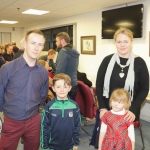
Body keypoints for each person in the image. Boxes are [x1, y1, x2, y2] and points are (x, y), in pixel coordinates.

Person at [90, 27, 149, 148]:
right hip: (107, 110)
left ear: (131, 42)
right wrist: (102, 108)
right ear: (115, 43)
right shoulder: (107, 61)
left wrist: (133, 110)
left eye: (125, 41)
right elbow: (99, 85)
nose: (122, 45)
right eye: (119, 42)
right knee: (104, 143)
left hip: (128, 111)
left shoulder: (140, 63)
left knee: (124, 144)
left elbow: (144, 88)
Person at [0, 29, 49, 150]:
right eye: (33, 43)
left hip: (33, 120)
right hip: (12, 120)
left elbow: (43, 95)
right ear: (25, 44)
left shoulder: (43, 72)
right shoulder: (7, 68)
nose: (36, 48)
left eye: (40, 44)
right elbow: (0, 92)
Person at [40, 73, 80, 150]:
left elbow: (77, 126)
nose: (62, 90)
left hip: (69, 145)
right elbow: (44, 128)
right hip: (52, 146)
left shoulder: (75, 106)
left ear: (70, 88)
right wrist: (44, 146)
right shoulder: (49, 107)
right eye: (58, 87)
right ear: (53, 88)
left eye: (65, 87)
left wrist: (75, 143)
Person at [55, 32, 80, 100]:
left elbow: (59, 71)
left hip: (64, 85)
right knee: (70, 108)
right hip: (73, 84)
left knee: (61, 108)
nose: (56, 43)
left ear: (62, 41)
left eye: (57, 41)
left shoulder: (63, 51)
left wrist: (54, 82)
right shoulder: (74, 51)